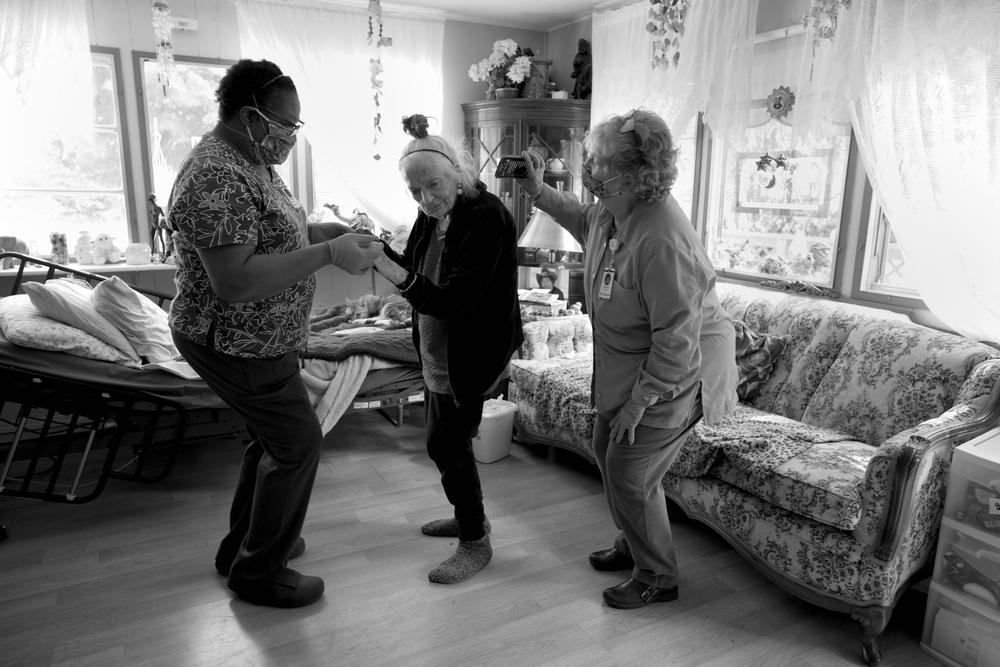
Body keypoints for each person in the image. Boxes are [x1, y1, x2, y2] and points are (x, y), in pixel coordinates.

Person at [167, 59, 382, 608]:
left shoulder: (252, 161)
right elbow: (235, 281)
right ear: (248, 116)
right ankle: (259, 571)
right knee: (297, 443)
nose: (290, 135)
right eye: (285, 124)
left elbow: (268, 232)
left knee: (273, 439)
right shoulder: (216, 175)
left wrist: (317, 231)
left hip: (267, 336)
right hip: (235, 338)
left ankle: (243, 545)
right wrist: (328, 254)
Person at [518, 108, 738, 609]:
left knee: (630, 467)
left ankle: (658, 576)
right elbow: (581, 219)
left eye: (599, 162)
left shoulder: (662, 239)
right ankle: (635, 541)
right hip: (631, 364)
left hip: (679, 372)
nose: (589, 170)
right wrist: (537, 190)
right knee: (605, 446)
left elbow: (677, 343)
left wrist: (638, 405)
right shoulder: (614, 209)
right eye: (589, 159)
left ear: (637, 174)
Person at [373, 114, 523, 584]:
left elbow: (457, 303)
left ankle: (475, 539)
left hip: (473, 349)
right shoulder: (431, 213)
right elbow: (416, 269)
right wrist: (375, 250)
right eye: (415, 191)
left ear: (458, 171)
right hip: (439, 346)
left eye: (433, 186)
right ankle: (467, 516)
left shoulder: (489, 216)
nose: (425, 199)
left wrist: (391, 271)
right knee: (444, 443)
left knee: (446, 442)